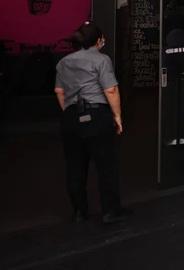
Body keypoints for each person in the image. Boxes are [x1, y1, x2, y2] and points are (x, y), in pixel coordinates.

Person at [54, 22, 126, 224]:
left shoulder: (63, 62)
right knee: (106, 166)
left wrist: (71, 112)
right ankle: (110, 211)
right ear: (98, 40)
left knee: (75, 166)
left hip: (70, 120)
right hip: (96, 117)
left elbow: (59, 92)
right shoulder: (102, 60)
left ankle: (79, 212)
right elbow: (110, 90)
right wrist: (117, 117)